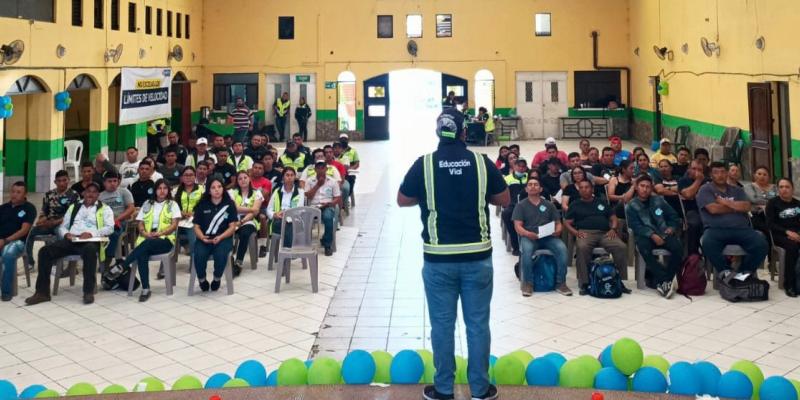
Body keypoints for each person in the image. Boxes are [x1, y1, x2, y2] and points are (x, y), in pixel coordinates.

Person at [398, 108, 509, 400]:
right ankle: (480, 390)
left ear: (438, 132)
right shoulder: (482, 162)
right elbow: (504, 198)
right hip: (477, 257)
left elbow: (402, 199)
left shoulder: (424, 164)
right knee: (477, 325)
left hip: (439, 260)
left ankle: (444, 389)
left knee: (442, 326)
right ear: (463, 132)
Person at [26, 182, 114, 305]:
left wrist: (91, 234)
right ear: (84, 193)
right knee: (44, 252)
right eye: (89, 191)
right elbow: (63, 226)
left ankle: (88, 292)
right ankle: (42, 293)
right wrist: (66, 234)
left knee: (89, 251)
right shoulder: (74, 207)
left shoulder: (105, 209)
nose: (91, 194)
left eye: (94, 192)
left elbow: (110, 228)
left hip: (90, 241)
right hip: (72, 240)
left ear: (98, 195)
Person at [697, 162, 768, 283]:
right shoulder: (705, 190)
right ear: (711, 175)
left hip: (741, 229)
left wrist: (725, 203)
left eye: (723, 172)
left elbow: (746, 206)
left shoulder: (737, 190)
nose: (720, 175)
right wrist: (735, 207)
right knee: (707, 242)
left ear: (727, 173)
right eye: (716, 172)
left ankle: (744, 272)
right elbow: (713, 209)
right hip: (715, 229)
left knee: (761, 243)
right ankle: (725, 271)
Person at [112, 179, 180, 302]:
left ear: (168, 190)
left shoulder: (173, 204)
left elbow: (174, 225)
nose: (162, 191)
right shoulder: (147, 203)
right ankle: (145, 289)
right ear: (155, 190)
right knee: (143, 252)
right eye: (159, 188)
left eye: (165, 188)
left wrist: (160, 233)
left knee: (146, 244)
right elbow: (140, 223)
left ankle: (123, 265)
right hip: (146, 238)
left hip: (165, 239)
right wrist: (144, 233)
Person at [564, 180, 629, 295]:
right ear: (579, 190)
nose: (584, 189)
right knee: (582, 247)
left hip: (605, 233)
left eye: (587, 187)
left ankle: (618, 280)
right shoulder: (575, 204)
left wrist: (613, 229)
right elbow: (567, 223)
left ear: (592, 189)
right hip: (585, 233)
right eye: (582, 188)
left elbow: (613, 217)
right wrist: (576, 233)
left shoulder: (601, 202)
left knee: (621, 247)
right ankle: (585, 282)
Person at [625, 175, 683, 297]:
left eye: (648, 187)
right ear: (636, 187)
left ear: (651, 188)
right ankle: (664, 279)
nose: (645, 189)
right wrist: (652, 235)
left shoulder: (659, 201)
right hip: (645, 235)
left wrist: (671, 228)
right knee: (644, 248)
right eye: (642, 186)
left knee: (678, 248)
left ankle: (664, 280)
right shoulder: (631, 205)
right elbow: (635, 226)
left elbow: (674, 217)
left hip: (664, 233)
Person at [513, 177, 572, 297]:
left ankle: (561, 283)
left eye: (536, 184)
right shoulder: (521, 205)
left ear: (540, 189)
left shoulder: (549, 205)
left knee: (562, 249)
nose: (533, 186)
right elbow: (518, 226)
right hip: (529, 236)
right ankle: (528, 283)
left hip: (548, 236)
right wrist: (528, 234)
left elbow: (558, 223)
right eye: (530, 184)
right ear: (526, 189)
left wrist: (558, 230)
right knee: (527, 251)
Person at [192, 178, 239, 292]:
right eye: (213, 187)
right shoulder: (202, 205)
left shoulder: (229, 204)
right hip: (205, 238)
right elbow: (196, 227)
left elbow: (232, 227)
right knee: (199, 254)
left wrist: (221, 237)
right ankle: (202, 279)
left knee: (221, 254)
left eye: (219, 187)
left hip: (223, 238)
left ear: (223, 188)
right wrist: (202, 237)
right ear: (208, 190)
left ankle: (217, 278)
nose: (217, 190)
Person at [25, 171, 79, 269]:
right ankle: (30, 262)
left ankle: (60, 264)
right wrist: (41, 221)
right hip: (48, 224)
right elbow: (44, 212)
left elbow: (72, 215)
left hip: (64, 225)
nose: (62, 183)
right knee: (29, 232)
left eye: (64, 180)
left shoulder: (74, 195)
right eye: (59, 181)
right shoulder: (49, 194)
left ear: (68, 180)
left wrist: (55, 222)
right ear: (55, 182)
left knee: (60, 233)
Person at [0, 182, 36, 301]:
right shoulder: (3, 208)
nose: (14, 195)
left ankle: (6, 292)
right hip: (1, 240)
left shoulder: (29, 208)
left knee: (8, 254)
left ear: (25, 194)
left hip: (18, 242)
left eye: (18, 192)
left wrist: (5, 241)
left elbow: (24, 230)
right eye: (13, 191)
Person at [766, 178, 800, 297]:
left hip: (796, 233)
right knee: (792, 247)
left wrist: (798, 234)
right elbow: (770, 224)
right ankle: (789, 283)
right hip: (779, 235)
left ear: (792, 189)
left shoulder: (797, 203)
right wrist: (787, 232)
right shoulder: (773, 203)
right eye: (781, 187)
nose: (784, 190)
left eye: (787, 187)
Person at [98, 172, 136, 268]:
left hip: (121, 222)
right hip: (104, 223)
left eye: (115, 181)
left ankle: (108, 258)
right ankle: (107, 257)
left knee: (113, 233)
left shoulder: (124, 192)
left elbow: (131, 208)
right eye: (109, 181)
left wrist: (117, 219)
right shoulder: (100, 196)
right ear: (104, 183)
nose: (112, 183)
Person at [229, 171, 264, 275]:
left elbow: (255, 212)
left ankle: (238, 262)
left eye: (245, 177)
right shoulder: (232, 192)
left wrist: (242, 221)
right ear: (237, 181)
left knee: (245, 233)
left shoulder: (257, 193)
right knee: (225, 232)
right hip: (233, 220)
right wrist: (251, 209)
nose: (243, 180)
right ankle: (228, 259)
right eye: (240, 178)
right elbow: (235, 209)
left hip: (249, 221)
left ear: (249, 179)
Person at [305, 161, 341, 256]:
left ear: (326, 169)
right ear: (315, 169)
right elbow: (308, 196)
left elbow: (337, 197)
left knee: (328, 218)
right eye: (318, 168)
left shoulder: (332, 181)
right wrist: (318, 185)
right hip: (313, 206)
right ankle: (305, 243)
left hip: (327, 205)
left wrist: (331, 203)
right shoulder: (310, 181)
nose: (320, 170)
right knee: (305, 218)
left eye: (323, 168)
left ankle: (327, 245)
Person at [267, 167, 305, 249]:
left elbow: (300, 209)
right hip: (278, 220)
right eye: (287, 175)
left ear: (295, 177)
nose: (289, 177)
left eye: (292, 175)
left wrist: (286, 213)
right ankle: (288, 252)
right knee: (285, 224)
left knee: (289, 224)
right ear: (283, 177)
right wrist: (275, 214)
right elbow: (268, 209)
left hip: (294, 220)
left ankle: (285, 252)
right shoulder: (277, 191)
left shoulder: (300, 192)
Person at [678, 160, 709, 255]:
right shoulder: (683, 181)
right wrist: (698, 181)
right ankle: (693, 255)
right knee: (695, 224)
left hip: (708, 211)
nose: (697, 172)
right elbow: (688, 194)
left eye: (700, 170)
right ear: (688, 169)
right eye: (694, 169)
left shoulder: (708, 181)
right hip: (692, 211)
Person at [174, 166, 203, 261]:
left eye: (191, 175)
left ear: (195, 176)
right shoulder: (176, 190)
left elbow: (204, 205)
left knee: (192, 236)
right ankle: (165, 267)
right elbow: (173, 206)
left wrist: (194, 213)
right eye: (186, 175)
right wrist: (180, 213)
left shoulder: (201, 189)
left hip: (195, 220)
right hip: (179, 219)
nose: (188, 177)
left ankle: (194, 264)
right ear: (182, 177)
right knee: (169, 237)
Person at [502, 158, 530, 256]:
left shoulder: (529, 177)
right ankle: (516, 246)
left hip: (529, 204)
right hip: (514, 204)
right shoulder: (507, 179)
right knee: (507, 214)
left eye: (523, 166)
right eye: (519, 166)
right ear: (514, 167)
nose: (521, 168)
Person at [744, 165, 777, 242]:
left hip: (773, 214)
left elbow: (776, 200)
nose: (762, 176)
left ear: (769, 177)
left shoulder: (774, 187)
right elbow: (754, 199)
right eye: (759, 174)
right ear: (754, 175)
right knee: (766, 229)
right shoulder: (749, 187)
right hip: (756, 214)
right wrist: (769, 202)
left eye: (765, 174)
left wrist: (767, 206)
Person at [337, 133, 360, 203]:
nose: (343, 141)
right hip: (338, 172)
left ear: (348, 140)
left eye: (345, 139)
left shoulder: (353, 151)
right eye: (342, 139)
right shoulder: (336, 151)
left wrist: (350, 168)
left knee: (351, 180)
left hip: (349, 172)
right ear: (339, 140)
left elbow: (357, 164)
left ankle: (346, 199)